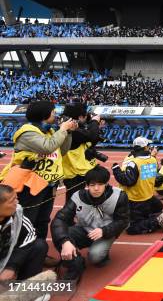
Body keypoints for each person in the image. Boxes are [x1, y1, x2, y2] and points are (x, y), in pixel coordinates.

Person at [0, 100, 77, 240]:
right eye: (53, 112)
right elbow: (47, 147)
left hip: (47, 184)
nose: (56, 114)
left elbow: (63, 150)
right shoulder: (27, 133)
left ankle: (39, 251)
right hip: (30, 185)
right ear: (44, 114)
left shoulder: (50, 131)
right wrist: (63, 129)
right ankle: (22, 251)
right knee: (28, 219)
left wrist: (69, 133)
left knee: (43, 220)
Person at [51, 166, 129, 281]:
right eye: (92, 185)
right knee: (60, 235)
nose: (96, 188)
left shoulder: (119, 196)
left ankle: (103, 253)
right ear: (87, 185)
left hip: (106, 232)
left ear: (106, 184)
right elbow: (59, 220)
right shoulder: (77, 196)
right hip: (84, 230)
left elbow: (123, 221)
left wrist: (104, 231)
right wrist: (64, 241)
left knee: (95, 256)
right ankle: (76, 264)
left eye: (100, 184)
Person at [112, 137, 163, 235]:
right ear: (145, 148)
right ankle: (153, 216)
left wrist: (116, 170)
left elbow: (128, 181)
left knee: (131, 229)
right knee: (156, 207)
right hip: (149, 196)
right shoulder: (153, 160)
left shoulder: (133, 163)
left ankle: (157, 221)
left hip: (136, 200)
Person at [0, 185, 47, 281]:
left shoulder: (17, 213)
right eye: (12, 201)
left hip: (5, 255)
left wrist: (11, 266)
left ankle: (26, 288)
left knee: (39, 246)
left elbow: (30, 236)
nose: (17, 203)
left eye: (16, 198)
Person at [61, 103, 104, 202]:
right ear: (80, 117)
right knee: (73, 202)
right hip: (73, 173)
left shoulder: (69, 126)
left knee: (76, 200)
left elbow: (90, 140)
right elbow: (91, 136)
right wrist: (94, 122)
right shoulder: (71, 129)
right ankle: (67, 217)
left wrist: (97, 127)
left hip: (76, 171)